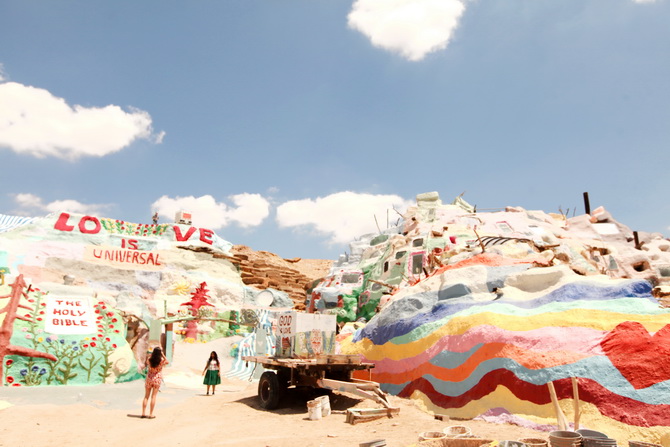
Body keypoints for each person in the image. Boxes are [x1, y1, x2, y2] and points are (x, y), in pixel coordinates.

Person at [142, 347, 168, 419]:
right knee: (153, 397)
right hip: (157, 379)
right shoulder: (161, 361)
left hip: (149, 378)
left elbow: (147, 362)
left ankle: (143, 413)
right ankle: (151, 414)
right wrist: (163, 355)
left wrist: (151, 355)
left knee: (146, 396)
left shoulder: (150, 360)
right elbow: (167, 361)